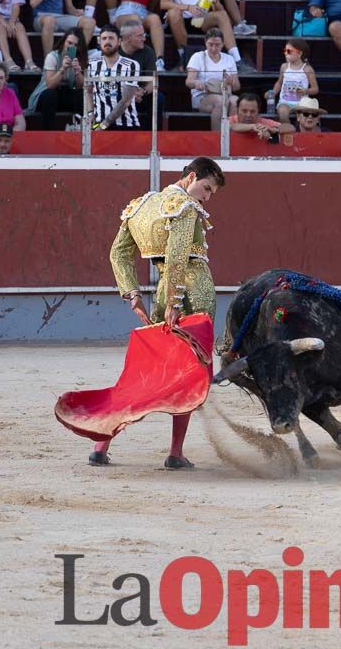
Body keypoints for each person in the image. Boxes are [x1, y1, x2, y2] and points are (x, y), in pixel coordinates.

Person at [98, 156, 226, 468]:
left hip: (160, 294)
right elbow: (179, 255)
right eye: (206, 188)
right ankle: (175, 453)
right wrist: (175, 302)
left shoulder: (141, 205)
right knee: (187, 374)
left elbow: (118, 253)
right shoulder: (183, 206)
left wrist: (132, 294)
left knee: (151, 370)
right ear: (191, 176)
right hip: (192, 295)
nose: (207, 197)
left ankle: (101, 445)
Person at [86, 24, 143, 129]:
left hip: (126, 124)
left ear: (119, 41)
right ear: (99, 41)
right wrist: (90, 114)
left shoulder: (131, 65)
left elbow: (126, 100)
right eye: (104, 38)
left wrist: (105, 124)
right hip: (98, 124)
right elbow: (88, 91)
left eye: (111, 38)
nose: (107, 42)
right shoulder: (92, 64)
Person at [29, 28, 86, 130]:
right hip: (46, 95)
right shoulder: (53, 56)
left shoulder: (79, 58)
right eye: (69, 43)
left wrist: (78, 72)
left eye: (75, 45)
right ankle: (48, 133)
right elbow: (50, 84)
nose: (71, 47)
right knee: (50, 95)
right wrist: (63, 68)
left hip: (64, 95)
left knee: (82, 95)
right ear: (64, 42)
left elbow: (79, 86)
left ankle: (82, 130)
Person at [185, 27, 239, 129]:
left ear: (223, 44)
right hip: (202, 96)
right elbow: (188, 81)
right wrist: (196, 83)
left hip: (225, 93)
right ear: (205, 42)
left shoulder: (229, 59)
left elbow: (236, 87)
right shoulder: (197, 57)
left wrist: (231, 81)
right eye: (210, 44)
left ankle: (233, 137)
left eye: (217, 45)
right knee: (221, 101)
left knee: (235, 101)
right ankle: (217, 139)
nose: (214, 48)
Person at [117, 17, 164, 124]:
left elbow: (153, 81)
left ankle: (151, 136)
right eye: (140, 36)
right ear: (128, 38)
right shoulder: (114, 52)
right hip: (117, 93)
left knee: (159, 98)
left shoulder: (148, 52)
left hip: (139, 94)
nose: (144, 38)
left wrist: (142, 91)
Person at [269, 38, 317, 120]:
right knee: (283, 113)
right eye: (285, 50)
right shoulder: (284, 67)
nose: (285, 53)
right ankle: (288, 131)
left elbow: (315, 89)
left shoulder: (308, 69)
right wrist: (273, 92)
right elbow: (279, 83)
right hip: (285, 102)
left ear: (299, 53)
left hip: (302, 103)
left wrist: (306, 91)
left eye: (288, 51)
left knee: (306, 117)